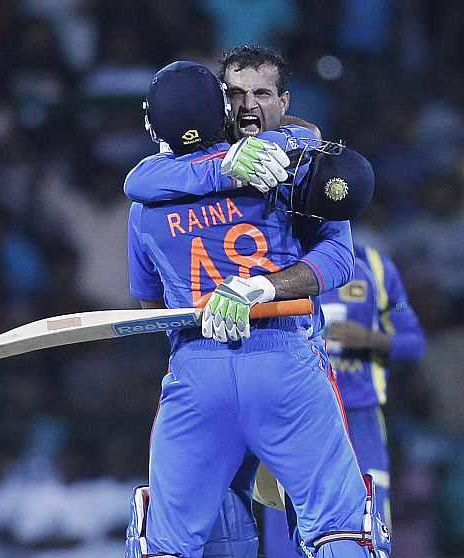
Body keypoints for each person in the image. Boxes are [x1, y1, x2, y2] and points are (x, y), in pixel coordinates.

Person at [124, 60, 389, 558]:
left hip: (195, 370)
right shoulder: (288, 174)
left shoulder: (146, 203)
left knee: (169, 544)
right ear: (223, 105)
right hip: (287, 362)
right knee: (341, 529)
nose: (249, 107)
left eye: (262, 94)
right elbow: (337, 260)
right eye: (238, 95)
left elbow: (149, 302)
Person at [262, 243, 425, 558]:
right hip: (295, 416)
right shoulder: (277, 255)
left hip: (360, 417)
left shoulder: (374, 265)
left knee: (369, 525)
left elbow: (414, 343)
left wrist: (367, 339)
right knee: (286, 526)